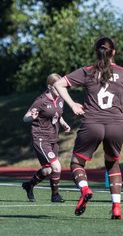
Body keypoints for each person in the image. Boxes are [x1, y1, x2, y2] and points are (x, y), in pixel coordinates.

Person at [54, 36, 123, 219]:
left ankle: (85, 189)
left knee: (76, 163)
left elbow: (59, 84)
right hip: (115, 125)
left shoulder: (87, 71)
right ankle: (116, 207)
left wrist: (73, 104)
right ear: (113, 52)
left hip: (91, 124)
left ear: (96, 52)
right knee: (112, 164)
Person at [22, 73, 71, 203]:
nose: (60, 90)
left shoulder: (60, 99)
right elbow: (25, 117)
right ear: (50, 87)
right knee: (56, 167)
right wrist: (31, 117)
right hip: (41, 138)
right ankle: (55, 195)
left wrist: (64, 124)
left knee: (47, 170)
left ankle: (29, 185)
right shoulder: (41, 101)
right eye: (57, 87)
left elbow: (57, 115)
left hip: (53, 138)